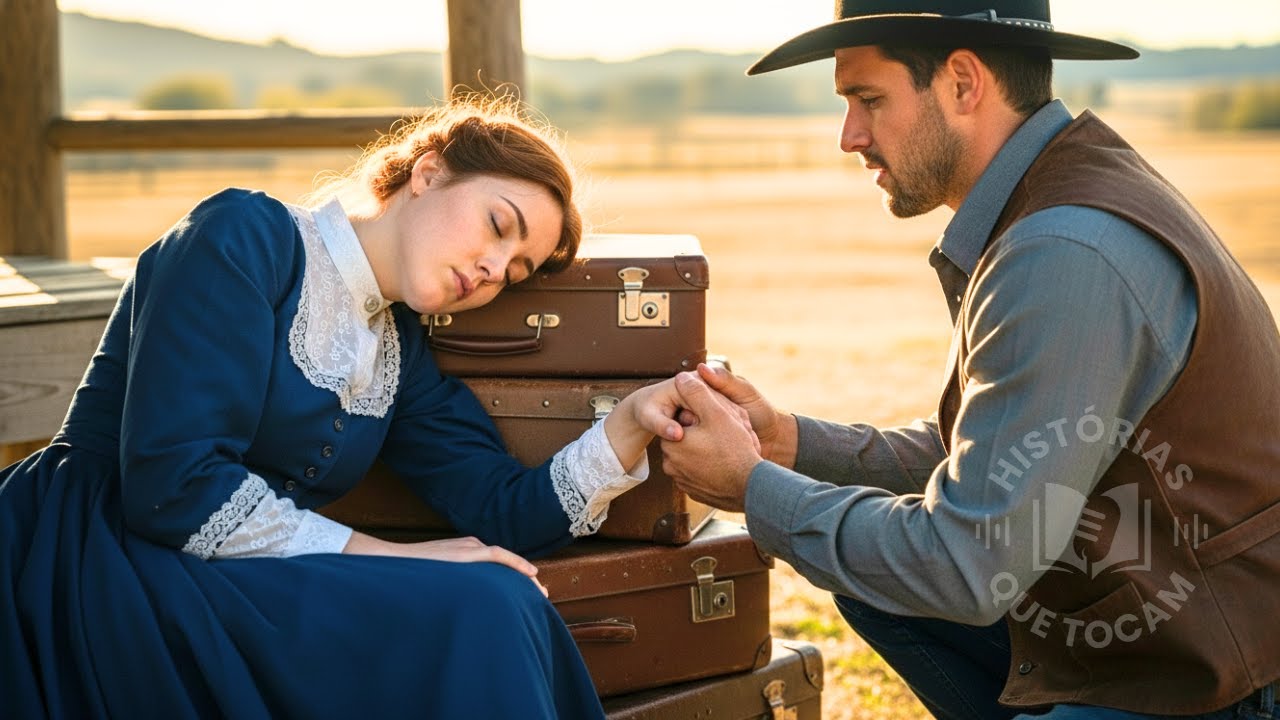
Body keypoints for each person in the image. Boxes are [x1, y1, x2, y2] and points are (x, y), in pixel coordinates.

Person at [655, 2, 1280, 718]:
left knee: (898, 568)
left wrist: (753, 487)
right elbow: (989, 461)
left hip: (1215, 684)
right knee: (871, 578)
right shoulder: (1053, 197)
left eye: (868, 100)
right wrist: (789, 445)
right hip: (1167, 639)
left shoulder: (1061, 250)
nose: (848, 136)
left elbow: (966, 566)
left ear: (961, 83)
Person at [0, 98, 691, 719]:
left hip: (236, 574)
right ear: (428, 172)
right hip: (101, 556)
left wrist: (629, 423)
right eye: (497, 224)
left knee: (503, 600)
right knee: (483, 604)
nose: (492, 269)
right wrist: (398, 558)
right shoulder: (245, 235)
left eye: (513, 272)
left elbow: (501, 509)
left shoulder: (397, 349)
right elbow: (172, 484)